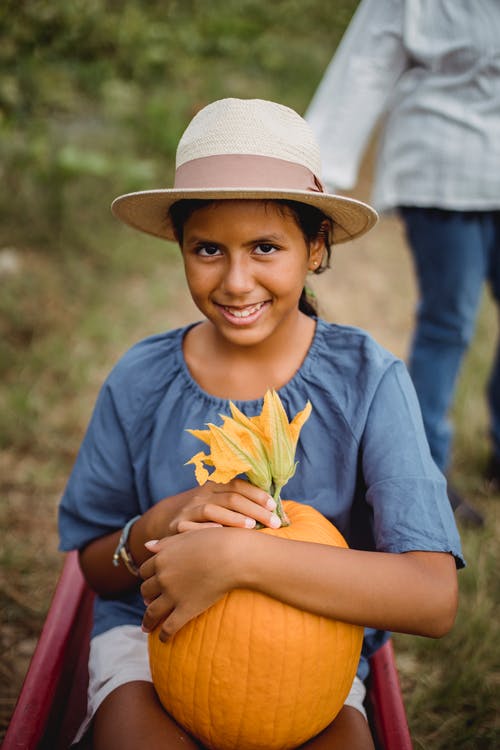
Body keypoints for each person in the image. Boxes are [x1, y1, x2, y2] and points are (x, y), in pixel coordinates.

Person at [58, 97, 463, 750]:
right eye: (209, 248)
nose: (237, 280)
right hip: (150, 644)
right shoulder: (140, 380)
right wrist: (162, 524)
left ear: (316, 246)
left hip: (312, 656)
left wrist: (240, 556)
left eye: (266, 247)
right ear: (182, 248)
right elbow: (96, 567)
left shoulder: (368, 382)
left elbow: (431, 597)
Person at [305, 0, 500, 527]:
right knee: (449, 319)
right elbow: (366, 63)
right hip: (443, 162)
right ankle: (424, 472)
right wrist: (315, 181)